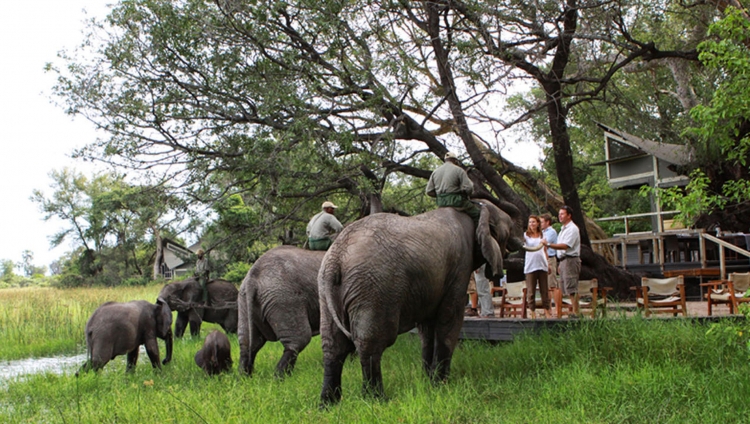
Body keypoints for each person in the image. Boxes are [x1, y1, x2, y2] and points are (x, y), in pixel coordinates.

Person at [543, 206, 581, 317]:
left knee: (571, 287)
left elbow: (565, 246)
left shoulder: (572, 229)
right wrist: (560, 263)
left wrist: (549, 245)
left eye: (563, 214)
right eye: (559, 214)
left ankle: (576, 312)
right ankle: (573, 312)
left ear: (569, 215)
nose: (560, 216)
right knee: (566, 287)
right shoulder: (563, 229)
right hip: (564, 260)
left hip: (571, 259)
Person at [425, 152, 480, 223]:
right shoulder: (459, 170)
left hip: (441, 202)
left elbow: (429, 191)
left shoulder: (435, 172)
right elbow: (469, 188)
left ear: (445, 160)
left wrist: (441, 195)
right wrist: (465, 193)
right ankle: (479, 234)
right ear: (455, 160)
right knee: (477, 214)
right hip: (456, 202)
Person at [524, 215, 552, 319]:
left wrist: (548, 263)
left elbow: (544, 250)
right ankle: (532, 311)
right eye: (530, 222)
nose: (532, 224)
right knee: (531, 290)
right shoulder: (525, 236)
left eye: (534, 222)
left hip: (542, 264)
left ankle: (546, 311)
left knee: (544, 290)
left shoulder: (542, 235)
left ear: (538, 223)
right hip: (531, 265)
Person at [540, 213, 559, 291]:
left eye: (541, 222)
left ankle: (555, 301)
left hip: (550, 259)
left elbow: (544, 243)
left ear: (547, 222)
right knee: (544, 283)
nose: (540, 224)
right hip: (542, 258)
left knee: (551, 282)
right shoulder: (542, 232)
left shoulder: (551, 232)